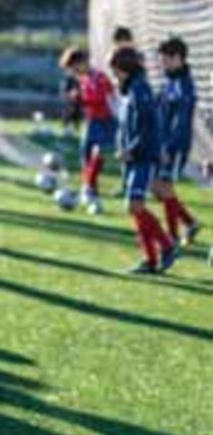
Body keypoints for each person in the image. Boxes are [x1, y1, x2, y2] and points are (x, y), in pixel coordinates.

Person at [110, 46, 177, 274]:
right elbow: (127, 125)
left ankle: (167, 245)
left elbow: (149, 127)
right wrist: (123, 147)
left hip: (144, 157)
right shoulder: (130, 89)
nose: (114, 73)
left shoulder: (141, 89)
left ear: (124, 68)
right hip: (133, 158)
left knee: (134, 204)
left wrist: (131, 149)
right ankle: (149, 260)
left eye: (115, 69)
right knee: (134, 208)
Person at [154, 37, 200, 246]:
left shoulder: (184, 87)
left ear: (178, 59)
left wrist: (168, 148)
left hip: (175, 147)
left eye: (165, 60)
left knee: (165, 187)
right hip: (163, 145)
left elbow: (181, 123)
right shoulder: (170, 82)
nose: (162, 64)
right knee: (158, 188)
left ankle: (171, 236)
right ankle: (189, 223)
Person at [60, 47, 117, 215]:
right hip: (91, 122)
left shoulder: (100, 78)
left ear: (83, 62)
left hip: (105, 123)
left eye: (74, 67)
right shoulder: (83, 79)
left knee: (97, 155)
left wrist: (81, 98)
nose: (74, 72)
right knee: (85, 157)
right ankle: (92, 194)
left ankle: (89, 189)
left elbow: (105, 97)